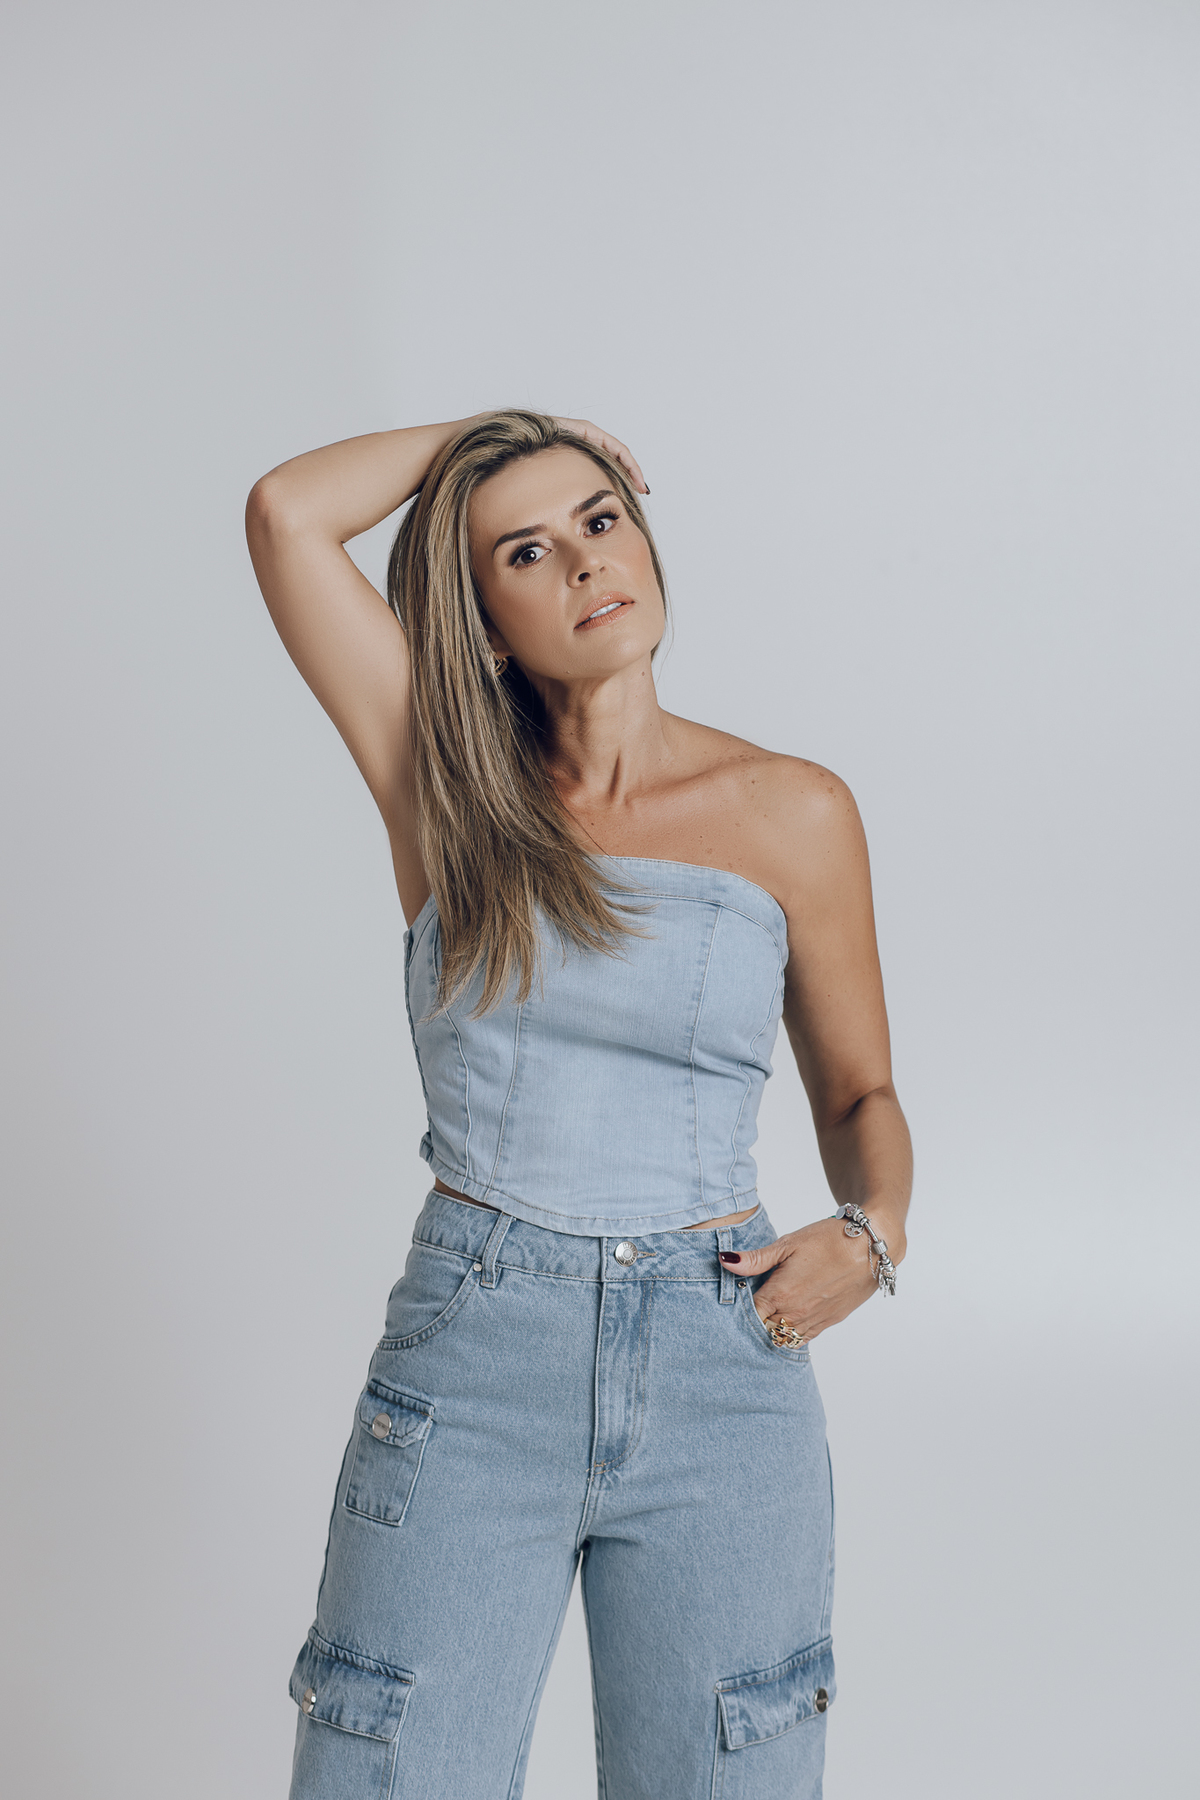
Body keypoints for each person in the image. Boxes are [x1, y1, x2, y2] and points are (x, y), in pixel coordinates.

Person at [245, 409, 912, 1800]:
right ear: (482, 621)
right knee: (385, 1769)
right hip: (476, 1359)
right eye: (527, 552)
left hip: (723, 1357)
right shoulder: (445, 788)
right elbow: (287, 515)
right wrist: (498, 429)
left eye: (601, 521)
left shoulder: (794, 810)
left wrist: (875, 1230)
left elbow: (860, 1090)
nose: (585, 561)